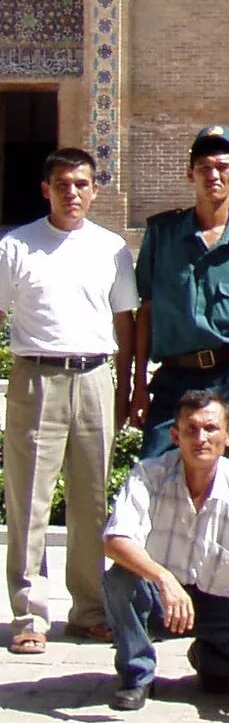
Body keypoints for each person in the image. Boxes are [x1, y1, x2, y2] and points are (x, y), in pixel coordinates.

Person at [0, 147, 137, 653]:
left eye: (81, 184)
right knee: (30, 498)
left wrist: (127, 386)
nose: (72, 193)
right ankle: (29, 613)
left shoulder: (111, 249)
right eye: (62, 185)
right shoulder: (18, 246)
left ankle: (88, 609)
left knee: (91, 502)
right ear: (46, 189)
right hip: (37, 379)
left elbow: (125, 320)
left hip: (95, 377)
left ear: (95, 188)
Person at [102, 389, 229, 710]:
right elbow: (115, 540)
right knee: (119, 580)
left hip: (215, 603)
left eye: (210, 429)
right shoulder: (149, 475)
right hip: (157, 598)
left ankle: (210, 660)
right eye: (190, 430)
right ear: (175, 435)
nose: (200, 438)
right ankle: (137, 675)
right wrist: (164, 580)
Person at [130, 125, 229, 471]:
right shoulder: (162, 235)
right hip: (175, 378)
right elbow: (146, 312)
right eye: (204, 168)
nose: (214, 175)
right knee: (152, 475)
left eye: (223, 167)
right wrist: (138, 385)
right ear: (190, 174)